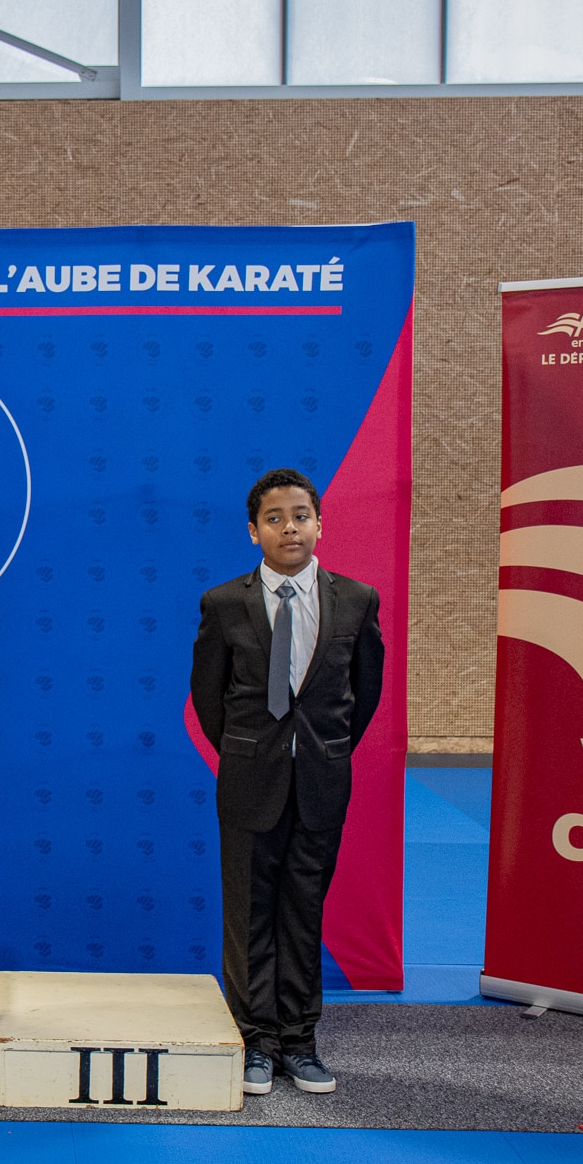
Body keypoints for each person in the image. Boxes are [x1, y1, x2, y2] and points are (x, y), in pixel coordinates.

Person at [190, 467, 384, 1095]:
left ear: (319, 524)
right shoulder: (224, 604)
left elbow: (365, 693)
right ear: (254, 532)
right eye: (274, 519)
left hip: (322, 782)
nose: (289, 528)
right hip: (249, 782)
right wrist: (253, 751)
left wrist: (320, 750)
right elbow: (209, 699)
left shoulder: (356, 600)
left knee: (303, 912)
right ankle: (255, 1041)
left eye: (300, 515)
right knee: (248, 914)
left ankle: (300, 1041)